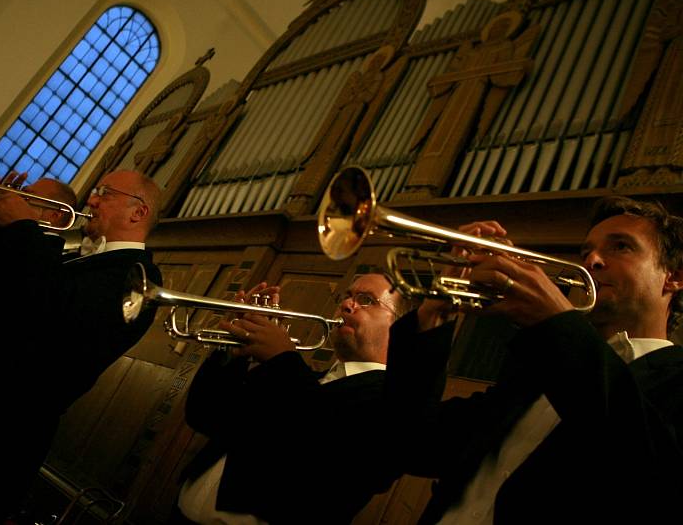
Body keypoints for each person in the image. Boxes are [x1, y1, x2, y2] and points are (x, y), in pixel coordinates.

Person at [387, 196, 683, 524]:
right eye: (586, 251)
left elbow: (651, 478)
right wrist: (433, 316)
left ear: (675, 276)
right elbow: (414, 443)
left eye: (621, 247)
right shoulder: (537, 370)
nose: (593, 260)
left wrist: (557, 327)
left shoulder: (674, 380)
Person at [0, 169, 163, 524]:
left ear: (138, 212)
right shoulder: (73, 258)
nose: (92, 200)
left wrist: (22, 229)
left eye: (105, 193)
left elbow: (57, 321)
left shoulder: (138, 278)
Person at [176, 272, 441, 523]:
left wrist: (283, 360)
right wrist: (230, 349)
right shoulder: (303, 380)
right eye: (347, 296)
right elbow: (204, 415)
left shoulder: (395, 402)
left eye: (367, 301)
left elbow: (321, 446)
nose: (348, 304)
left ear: (402, 328)